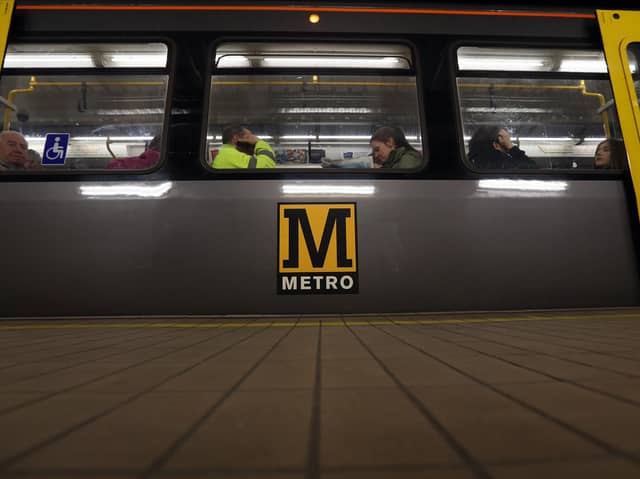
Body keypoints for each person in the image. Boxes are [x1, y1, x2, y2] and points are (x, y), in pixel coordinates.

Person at [468, 126, 536, 169]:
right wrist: (510, 146)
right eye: (507, 140)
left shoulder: (468, 163)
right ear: (496, 145)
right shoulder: (504, 165)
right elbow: (533, 168)